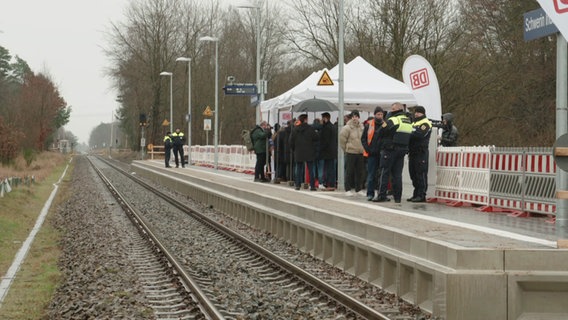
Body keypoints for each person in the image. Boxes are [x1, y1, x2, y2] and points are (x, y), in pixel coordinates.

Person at [375, 102, 412, 203]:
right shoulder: (408, 121)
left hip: (390, 149)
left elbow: (380, 131)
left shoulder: (394, 119)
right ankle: (397, 197)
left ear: (397, 109)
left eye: (393, 108)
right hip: (402, 150)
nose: (391, 110)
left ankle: (381, 195)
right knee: (397, 175)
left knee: (384, 172)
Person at [408, 106, 432, 202]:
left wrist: (410, 132)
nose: (416, 114)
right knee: (413, 174)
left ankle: (421, 195)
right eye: (416, 112)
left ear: (423, 113)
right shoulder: (414, 122)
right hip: (413, 152)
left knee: (420, 174)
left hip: (421, 152)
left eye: (419, 112)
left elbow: (419, 135)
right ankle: (416, 193)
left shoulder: (425, 123)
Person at [289, 114, 319, 191]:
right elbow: (316, 138)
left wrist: (294, 149)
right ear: (306, 120)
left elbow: (291, 141)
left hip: (298, 152)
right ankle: (312, 186)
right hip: (309, 151)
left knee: (298, 169)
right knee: (311, 169)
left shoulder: (295, 129)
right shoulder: (310, 129)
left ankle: (297, 185)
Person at [339, 110, 365, 196]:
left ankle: (359, 189)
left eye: (356, 116)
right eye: (353, 116)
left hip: (360, 152)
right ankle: (347, 189)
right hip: (350, 152)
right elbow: (342, 140)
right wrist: (346, 149)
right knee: (349, 171)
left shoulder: (362, 127)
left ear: (359, 117)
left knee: (360, 172)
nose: (355, 118)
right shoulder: (347, 128)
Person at [361, 106, 385, 201]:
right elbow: (363, 138)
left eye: (381, 114)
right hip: (371, 154)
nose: (380, 116)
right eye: (378, 114)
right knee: (371, 175)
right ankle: (370, 193)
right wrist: (367, 149)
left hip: (382, 153)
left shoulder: (385, 124)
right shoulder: (369, 125)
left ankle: (380, 193)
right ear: (374, 115)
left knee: (381, 175)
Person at [320, 112, 338, 190]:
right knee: (332, 168)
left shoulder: (326, 128)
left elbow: (325, 140)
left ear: (325, 118)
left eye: (322, 118)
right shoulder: (333, 127)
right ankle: (331, 183)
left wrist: (321, 148)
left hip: (327, 151)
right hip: (333, 151)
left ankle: (329, 183)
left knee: (328, 169)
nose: (321, 120)